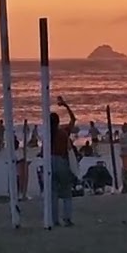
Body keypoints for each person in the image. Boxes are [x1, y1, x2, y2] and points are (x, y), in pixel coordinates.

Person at [49, 96, 78, 226]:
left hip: (49, 162)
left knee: (53, 192)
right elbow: (73, 119)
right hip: (61, 161)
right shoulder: (63, 133)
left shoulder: (47, 134)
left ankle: (55, 220)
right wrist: (66, 105)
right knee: (66, 192)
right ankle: (67, 218)